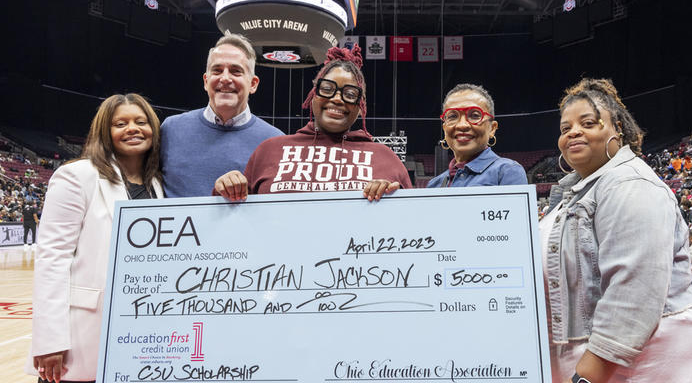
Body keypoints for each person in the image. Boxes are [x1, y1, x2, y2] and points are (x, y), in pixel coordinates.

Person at [540, 78, 692, 383]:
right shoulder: (580, 190)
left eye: (589, 122)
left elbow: (634, 292)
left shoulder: (630, 184)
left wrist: (587, 376)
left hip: (638, 364)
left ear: (617, 129)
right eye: (565, 128)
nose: (573, 132)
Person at [27, 94, 164, 383]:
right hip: (83, 334)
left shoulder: (157, 184)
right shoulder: (77, 176)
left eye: (141, 122)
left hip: (138, 335)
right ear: (105, 132)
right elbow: (52, 259)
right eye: (120, 123)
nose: (133, 128)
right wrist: (50, 340)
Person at [214, 44, 411, 201]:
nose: (337, 98)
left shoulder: (386, 158)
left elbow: (413, 225)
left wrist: (394, 200)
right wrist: (226, 189)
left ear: (360, 106)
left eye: (350, 94)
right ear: (313, 96)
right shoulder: (269, 151)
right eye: (327, 88)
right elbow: (233, 222)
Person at [160, 33, 283, 197]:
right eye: (217, 70)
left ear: (253, 84)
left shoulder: (275, 142)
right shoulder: (170, 129)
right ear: (205, 81)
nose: (225, 78)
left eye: (236, 71)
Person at [427, 84, 526, 188]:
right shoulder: (434, 185)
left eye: (475, 116)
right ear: (445, 128)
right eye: (452, 116)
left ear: (492, 128)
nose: (462, 125)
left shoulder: (507, 172)